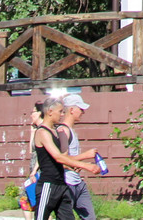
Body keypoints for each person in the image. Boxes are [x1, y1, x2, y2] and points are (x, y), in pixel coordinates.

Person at [31, 97, 99, 220]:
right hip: (48, 185)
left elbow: (59, 160)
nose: (62, 114)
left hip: (61, 186)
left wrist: (72, 167)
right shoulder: (42, 132)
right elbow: (58, 157)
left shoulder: (55, 132)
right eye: (60, 111)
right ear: (50, 112)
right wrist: (86, 166)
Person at [53, 92, 99, 220]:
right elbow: (62, 159)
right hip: (67, 184)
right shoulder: (63, 131)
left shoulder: (70, 130)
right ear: (72, 110)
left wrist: (77, 166)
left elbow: (69, 161)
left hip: (78, 183)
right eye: (81, 109)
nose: (83, 112)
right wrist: (85, 156)